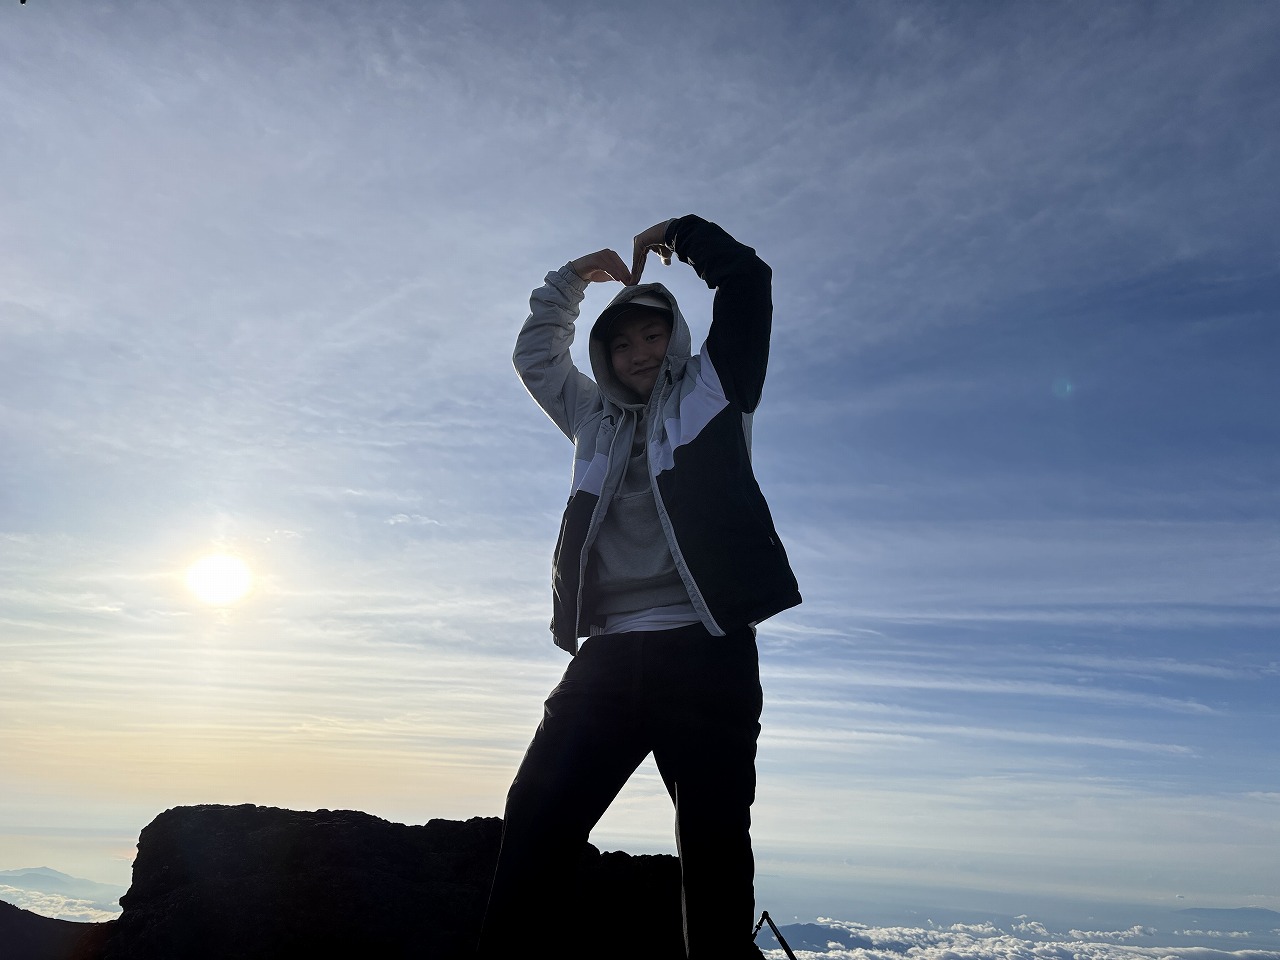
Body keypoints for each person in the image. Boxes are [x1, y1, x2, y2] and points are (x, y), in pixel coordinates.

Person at [478, 215, 801, 959]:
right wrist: (569, 282)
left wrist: (683, 235)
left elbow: (747, 281)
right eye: (621, 344)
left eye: (652, 335)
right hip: (608, 656)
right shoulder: (591, 416)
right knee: (536, 816)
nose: (639, 353)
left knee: (714, 847)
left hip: (707, 651)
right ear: (606, 356)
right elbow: (536, 357)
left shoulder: (716, 391)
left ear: (675, 336)